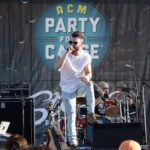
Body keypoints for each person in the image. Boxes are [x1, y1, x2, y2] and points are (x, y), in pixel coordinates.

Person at [55, 31, 98, 149]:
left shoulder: (86, 56)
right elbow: (58, 67)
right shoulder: (63, 52)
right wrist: (67, 53)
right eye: (70, 42)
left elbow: (89, 72)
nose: (72, 44)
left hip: (79, 85)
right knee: (71, 115)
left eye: (75, 42)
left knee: (90, 84)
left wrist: (87, 78)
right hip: (67, 89)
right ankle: (73, 143)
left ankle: (90, 113)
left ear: (81, 43)